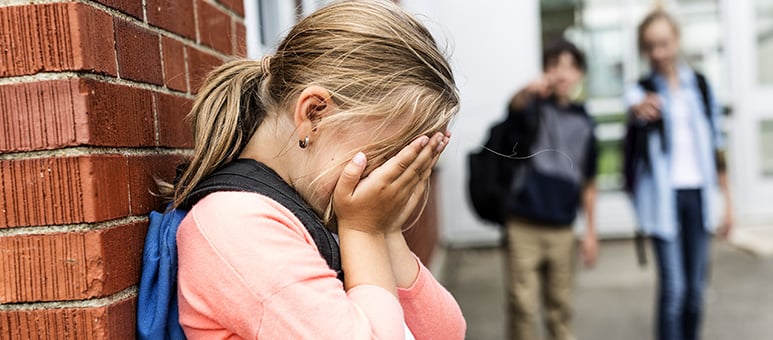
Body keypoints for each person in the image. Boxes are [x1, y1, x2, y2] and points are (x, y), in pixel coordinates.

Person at [165, 1, 465, 338]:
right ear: (315, 114)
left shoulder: (320, 204)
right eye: (385, 155)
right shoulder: (237, 224)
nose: (388, 179)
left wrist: (385, 230)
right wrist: (364, 231)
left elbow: (445, 333)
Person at [625, 9, 733, 340]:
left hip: (698, 196)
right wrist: (638, 106)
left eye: (664, 44)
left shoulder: (700, 86)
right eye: (650, 46)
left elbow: (718, 148)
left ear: (677, 41)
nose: (658, 53)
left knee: (696, 291)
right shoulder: (642, 89)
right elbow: (631, 102)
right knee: (675, 290)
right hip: (662, 199)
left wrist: (728, 205)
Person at [500, 39, 598, 340]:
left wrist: (591, 232)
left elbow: (589, 181)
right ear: (545, 71)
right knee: (522, 308)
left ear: (580, 73)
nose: (562, 74)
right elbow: (512, 108)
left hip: (563, 230)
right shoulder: (531, 108)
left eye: (570, 66)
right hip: (523, 226)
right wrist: (528, 91)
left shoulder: (585, 122)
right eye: (555, 66)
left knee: (560, 309)